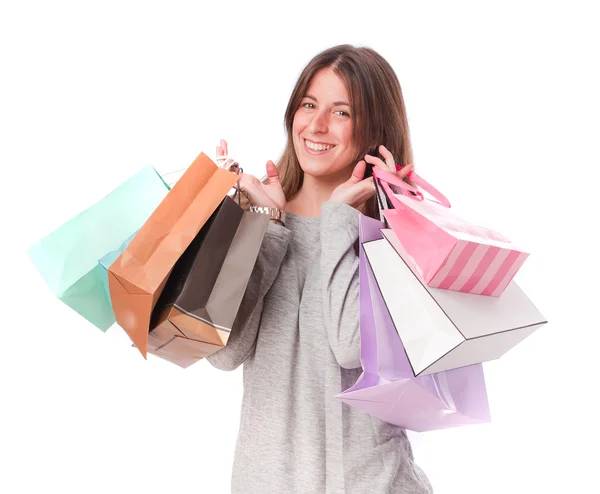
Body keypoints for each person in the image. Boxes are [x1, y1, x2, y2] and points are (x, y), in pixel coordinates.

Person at [206, 44, 433, 493]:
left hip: (370, 482)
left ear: (374, 129)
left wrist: (341, 223)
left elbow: (350, 347)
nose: (317, 125)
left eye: (342, 112)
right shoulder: (261, 217)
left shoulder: (394, 235)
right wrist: (265, 229)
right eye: (309, 105)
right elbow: (224, 353)